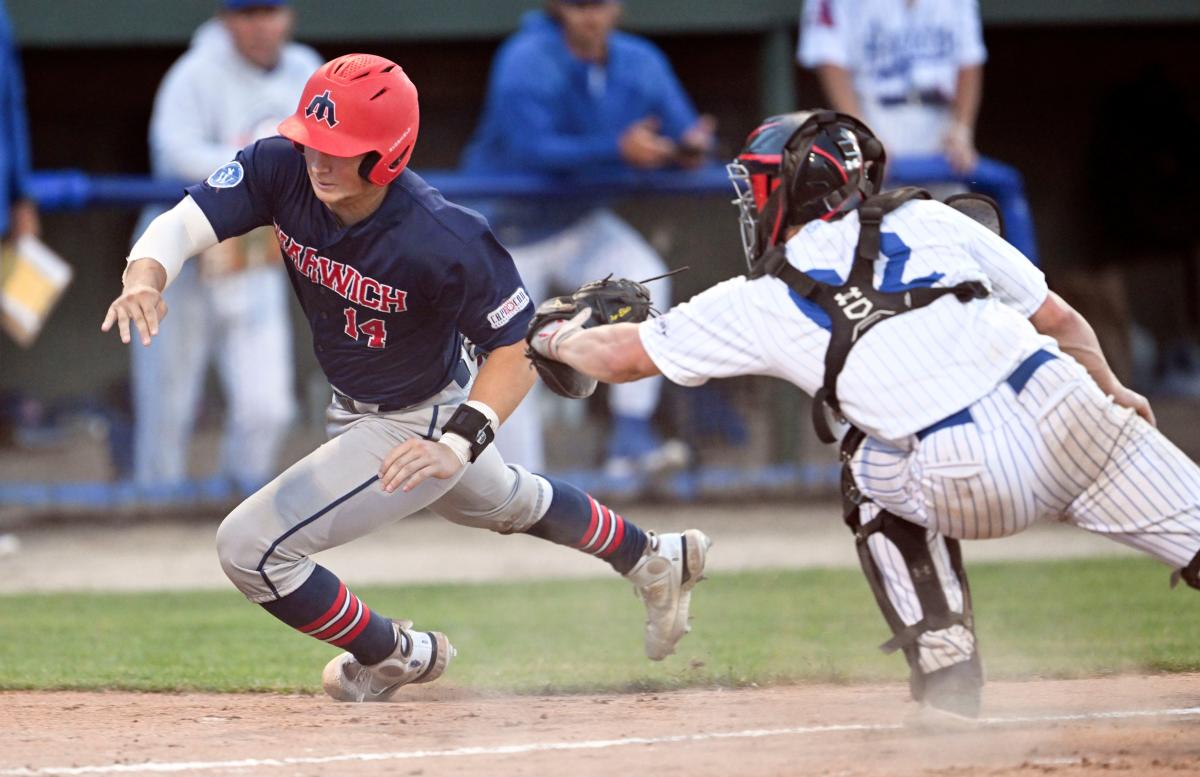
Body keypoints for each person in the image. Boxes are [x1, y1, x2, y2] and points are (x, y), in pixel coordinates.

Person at [527, 110, 1200, 722]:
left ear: (795, 186)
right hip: (1070, 407)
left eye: (760, 184)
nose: (752, 201)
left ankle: (948, 681)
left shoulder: (762, 293)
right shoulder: (930, 217)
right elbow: (1059, 319)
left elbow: (617, 358)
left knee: (864, 456)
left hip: (960, 467)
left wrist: (551, 334)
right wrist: (1113, 389)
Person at [101, 53, 711, 702]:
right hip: (364, 404)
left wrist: (454, 443)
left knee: (249, 548)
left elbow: (517, 348)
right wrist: (145, 275)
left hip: (415, 416)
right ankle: (654, 556)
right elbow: (182, 223)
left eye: (339, 149)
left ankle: (394, 653)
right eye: (313, 139)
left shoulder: (443, 233)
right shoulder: (280, 166)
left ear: (387, 154)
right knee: (513, 501)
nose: (318, 159)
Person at [461, 0, 715, 477]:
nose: (591, 16)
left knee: (643, 277)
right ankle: (517, 484)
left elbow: (684, 131)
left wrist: (691, 148)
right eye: (579, 5)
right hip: (506, 230)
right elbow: (529, 147)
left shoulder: (638, 59)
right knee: (511, 356)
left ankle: (632, 437)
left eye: (599, 4)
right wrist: (617, 148)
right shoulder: (526, 57)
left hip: (578, 221)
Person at [129, 0, 321, 495]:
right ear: (224, 18)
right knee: (168, 406)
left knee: (268, 406)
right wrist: (261, 163)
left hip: (252, 255)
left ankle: (238, 505)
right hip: (184, 256)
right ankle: (150, 517)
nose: (259, 26)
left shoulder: (306, 69)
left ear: (289, 15)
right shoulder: (194, 73)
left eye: (269, 12)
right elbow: (172, 155)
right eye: (245, 14)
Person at [797, 0, 986, 176]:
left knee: (948, 208)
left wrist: (962, 127)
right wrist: (863, 133)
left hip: (941, 121)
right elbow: (829, 58)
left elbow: (969, 58)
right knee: (878, 206)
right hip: (875, 113)